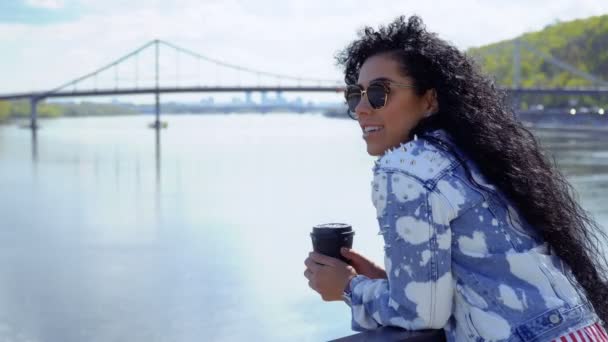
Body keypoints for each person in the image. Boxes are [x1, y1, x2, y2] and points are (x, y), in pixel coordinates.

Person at [303, 15, 608, 342]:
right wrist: (389, 281)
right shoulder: (481, 157)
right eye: (355, 95)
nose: (362, 108)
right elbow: (488, 285)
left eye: (379, 93)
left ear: (429, 100)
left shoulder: (405, 168)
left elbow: (419, 315)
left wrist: (348, 288)